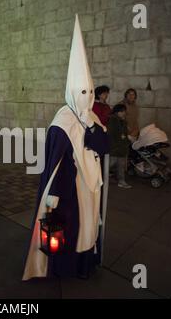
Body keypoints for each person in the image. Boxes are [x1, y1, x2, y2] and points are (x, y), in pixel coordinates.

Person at [22, 15, 109, 281]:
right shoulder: (62, 122)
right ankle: (65, 268)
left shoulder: (92, 118)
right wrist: (55, 194)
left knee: (89, 226)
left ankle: (87, 263)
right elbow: (57, 162)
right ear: (72, 92)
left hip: (91, 186)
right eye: (82, 92)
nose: (88, 97)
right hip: (71, 190)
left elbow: (104, 145)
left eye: (90, 92)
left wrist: (94, 132)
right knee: (70, 228)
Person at [108, 104, 132, 189]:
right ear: (117, 112)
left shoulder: (123, 121)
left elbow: (124, 133)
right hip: (115, 147)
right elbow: (111, 134)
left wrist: (126, 138)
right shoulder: (113, 120)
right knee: (110, 165)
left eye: (124, 111)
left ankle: (122, 181)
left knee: (121, 166)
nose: (123, 113)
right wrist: (122, 137)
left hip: (121, 147)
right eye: (121, 111)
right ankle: (102, 180)